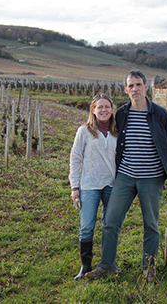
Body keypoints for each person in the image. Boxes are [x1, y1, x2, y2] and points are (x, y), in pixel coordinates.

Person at [85, 71, 167, 282]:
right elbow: (106, 133)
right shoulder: (122, 114)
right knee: (110, 221)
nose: (135, 89)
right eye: (131, 85)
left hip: (152, 178)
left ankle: (149, 269)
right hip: (125, 177)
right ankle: (107, 265)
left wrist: (165, 173)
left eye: (139, 84)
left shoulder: (160, 114)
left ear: (146, 87)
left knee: (151, 225)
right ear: (125, 90)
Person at [69, 93, 118, 280]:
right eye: (100, 107)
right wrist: (75, 187)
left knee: (110, 225)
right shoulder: (84, 131)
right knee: (87, 226)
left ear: (112, 110)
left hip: (112, 185)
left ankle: (109, 263)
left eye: (107, 107)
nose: (104, 110)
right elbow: (75, 159)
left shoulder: (117, 131)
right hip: (89, 185)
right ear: (93, 110)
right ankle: (85, 266)